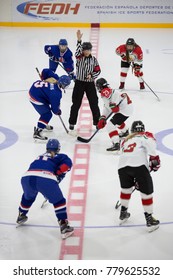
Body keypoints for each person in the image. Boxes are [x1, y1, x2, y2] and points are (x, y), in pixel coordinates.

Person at [16, 139, 74, 239]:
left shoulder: (40, 156)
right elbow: (68, 165)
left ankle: (21, 215)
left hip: (27, 177)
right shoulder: (61, 156)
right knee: (59, 201)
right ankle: (64, 226)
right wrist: (58, 172)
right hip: (45, 178)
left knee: (28, 197)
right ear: (58, 148)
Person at [118, 120, 160, 232]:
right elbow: (152, 146)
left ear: (132, 130)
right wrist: (155, 159)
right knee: (146, 192)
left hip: (122, 167)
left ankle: (123, 212)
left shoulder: (125, 140)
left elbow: (125, 153)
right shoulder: (145, 136)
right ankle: (150, 219)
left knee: (126, 190)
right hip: (139, 166)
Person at [68, 30, 101, 130]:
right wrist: (79, 40)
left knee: (94, 103)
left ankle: (97, 122)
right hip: (79, 83)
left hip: (90, 84)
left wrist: (92, 75)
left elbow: (98, 71)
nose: (86, 51)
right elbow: (77, 52)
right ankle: (72, 122)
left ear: (91, 50)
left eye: (88, 50)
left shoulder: (94, 59)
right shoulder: (79, 57)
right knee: (76, 103)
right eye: (85, 50)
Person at [29, 68, 71, 141]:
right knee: (47, 114)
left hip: (35, 90)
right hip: (35, 97)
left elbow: (46, 71)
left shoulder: (56, 78)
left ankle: (43, 122)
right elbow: (54, 110)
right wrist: (58, 111)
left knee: (45, 109)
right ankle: (38, 131)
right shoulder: (56, 93)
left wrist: (43, 77)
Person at [95, 78, 133, 151]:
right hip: (126, 108)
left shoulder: (108, 92)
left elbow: (114, 107)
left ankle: (116, 144)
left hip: (125, 110)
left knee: (110, 125)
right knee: (117, 122)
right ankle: (125, 132)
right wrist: (103, 117)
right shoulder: (110, 93)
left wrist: (114, 106)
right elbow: (107, 107)